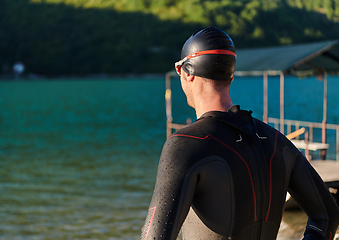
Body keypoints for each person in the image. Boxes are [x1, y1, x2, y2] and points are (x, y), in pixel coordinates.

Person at [141, 27, 339, 240]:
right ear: (230, 76)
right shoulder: (276, 141)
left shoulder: (187, 144)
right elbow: (326, 217)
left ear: (187, 73)